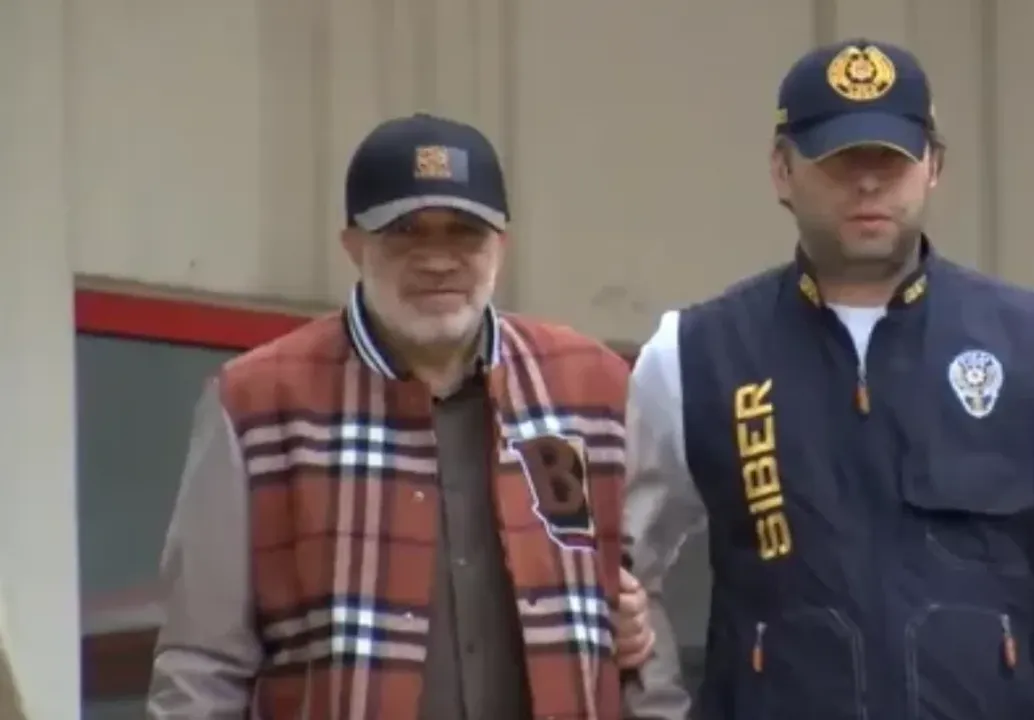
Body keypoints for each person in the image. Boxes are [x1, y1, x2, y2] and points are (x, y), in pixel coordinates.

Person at [622, 39, 1034, 720]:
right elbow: (620, 571)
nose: (868, 183)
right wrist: (660, 710)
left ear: (933, 167)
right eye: (841, 159)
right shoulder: (693, 355)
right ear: (782, 170)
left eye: (890, 159)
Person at [147, 112, 655, 719]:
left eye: (464, 233)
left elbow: (647, 645)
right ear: (353, 245)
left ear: (502, 245)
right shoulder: (256, 403)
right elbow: (202, 666)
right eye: (406, 232)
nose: (437, 260)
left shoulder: (592, 388)